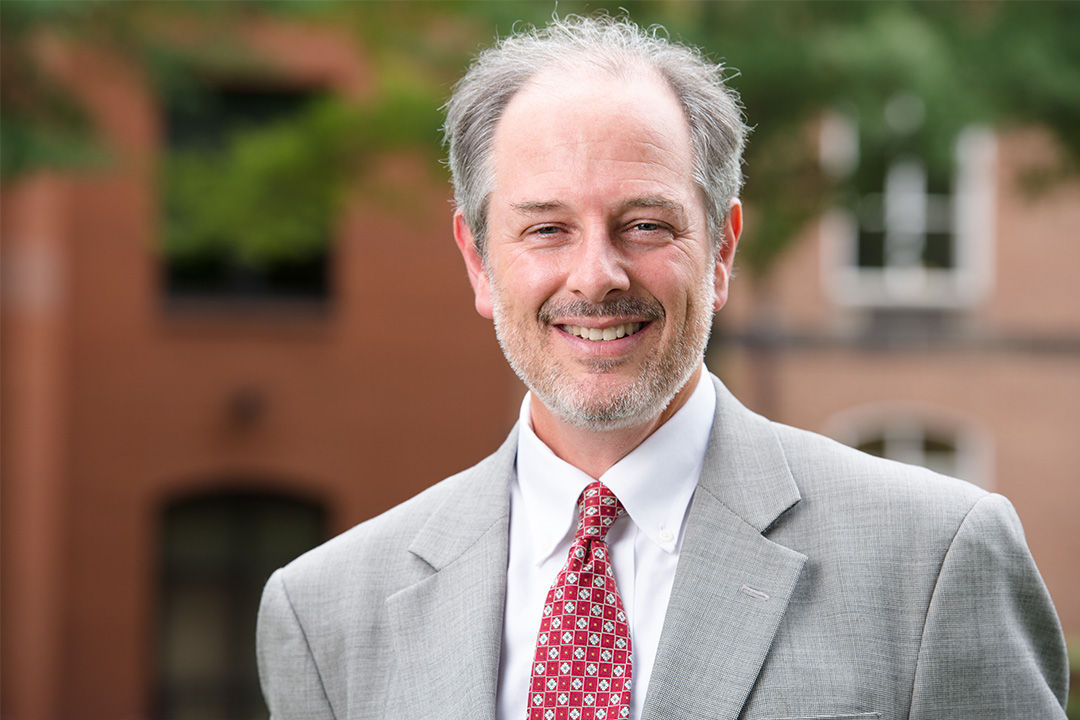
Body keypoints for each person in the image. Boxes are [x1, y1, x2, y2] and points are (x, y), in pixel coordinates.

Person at [256, 15, 1069, 720]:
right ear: (478, 261)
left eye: (645, 224)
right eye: (545, 230)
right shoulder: (327, 613)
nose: (597, 275)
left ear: (721, 249)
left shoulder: (934, 562)